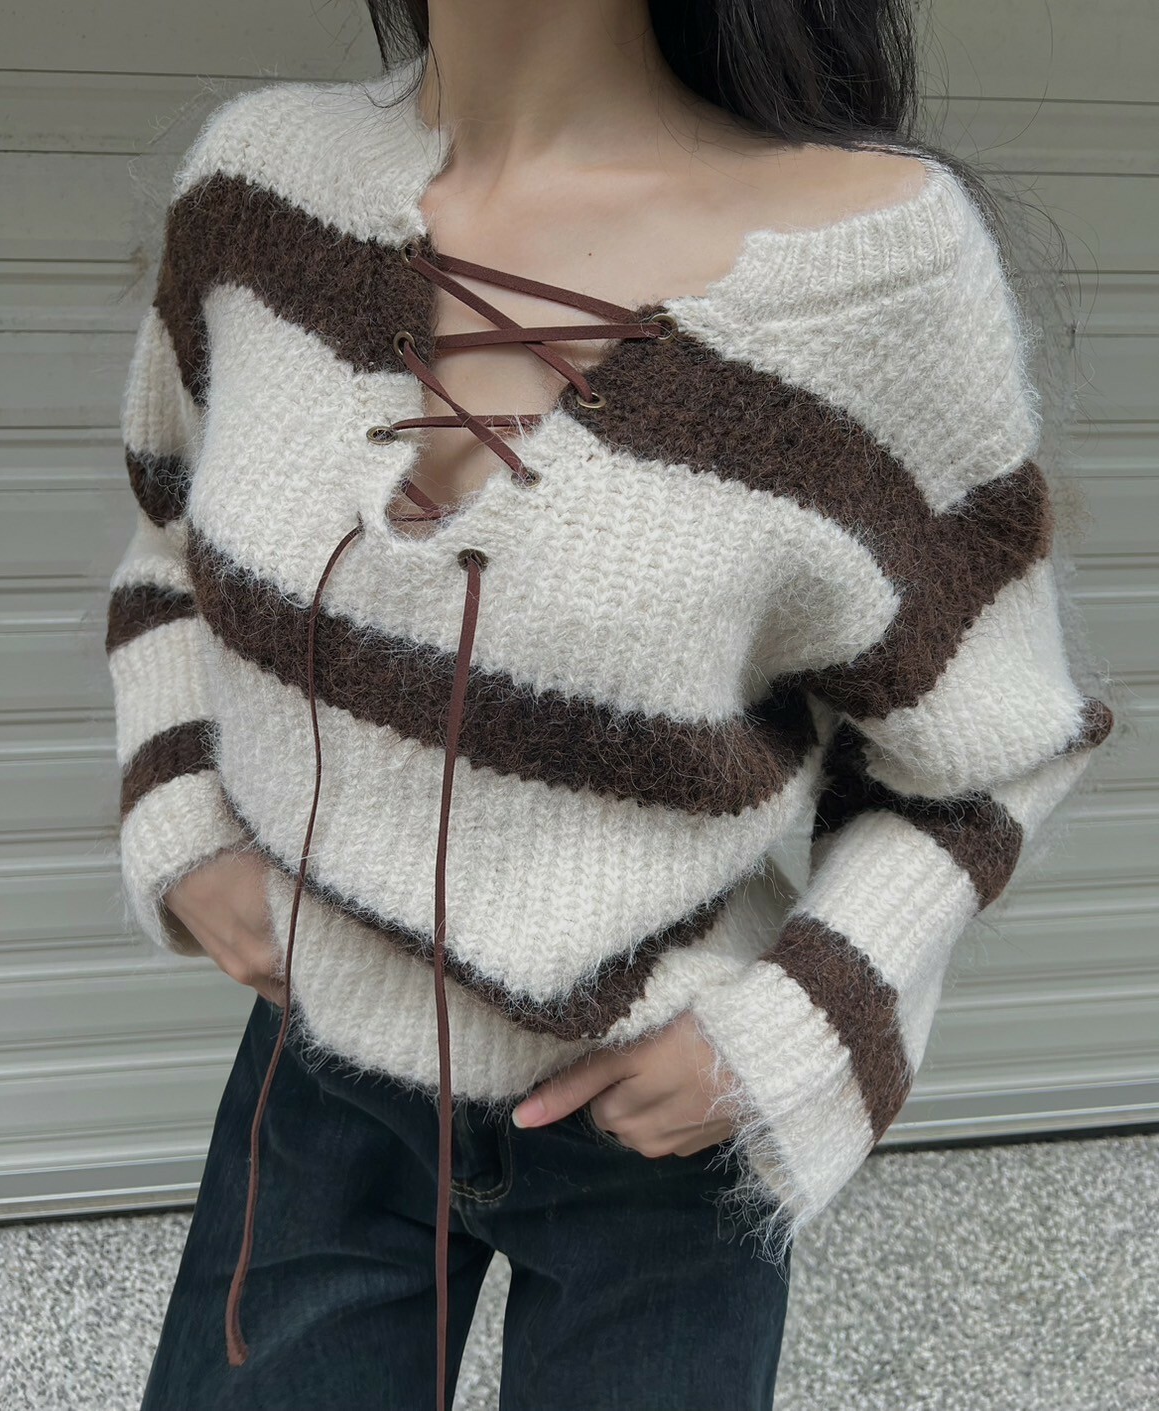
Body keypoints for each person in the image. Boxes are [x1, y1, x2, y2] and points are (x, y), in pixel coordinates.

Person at [109, 2, 1114, 1408]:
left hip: (652, 1132)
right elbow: (167, 547)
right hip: (315, 1076)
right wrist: (181, 826)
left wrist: (786, 1036)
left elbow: (982, 761)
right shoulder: (257, 188)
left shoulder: (877, 272)